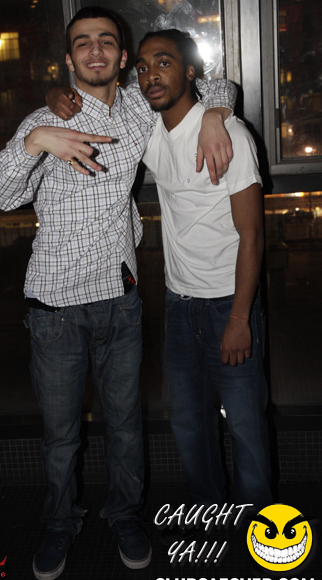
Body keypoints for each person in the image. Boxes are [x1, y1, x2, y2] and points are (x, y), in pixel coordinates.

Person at [0, 7, 236, 580]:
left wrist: (216, 115)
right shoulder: (45, 119)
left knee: (125, 425)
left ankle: (124, 515)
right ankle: (59, 523)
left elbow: (217, 83)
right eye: (82, 43)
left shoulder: (141, 109)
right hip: (55, 310)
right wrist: (36, 141)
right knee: (61, 436)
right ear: (69, 59)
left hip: (119, 300)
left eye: (105, 42)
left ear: (122, 57)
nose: (94, 51)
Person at [135, 29, 273, 532]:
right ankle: (208, 515)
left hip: (227, 306)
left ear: (190, 71)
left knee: (245, 426)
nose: (151, 75)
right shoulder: (150, 131)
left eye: (164, 62)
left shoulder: (229, 134)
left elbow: (252, 235)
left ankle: (262, 531)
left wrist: (239, 319)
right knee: (189, 425)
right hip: (179, 306)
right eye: (143, 67)